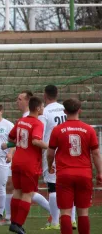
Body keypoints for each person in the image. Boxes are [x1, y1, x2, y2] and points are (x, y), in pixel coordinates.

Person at [0, 91, 50, 227]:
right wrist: (50, 147)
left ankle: (13, 221)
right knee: (28, 194)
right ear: (37, 108)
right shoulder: (37, 123)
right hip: (29, 163)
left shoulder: (21, 121)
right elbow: (36, 141)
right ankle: (18, 224)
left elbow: (11, 137)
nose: (43, 109)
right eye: (42, 107)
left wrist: (17, 143)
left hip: (17, 161)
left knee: (17, 192)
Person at [47, 98, 102, 234]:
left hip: (64, 174)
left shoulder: (57, 130)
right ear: (80, 110)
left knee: (65, 212)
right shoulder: (89, 129)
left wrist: (50, 166)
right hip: (84, 174)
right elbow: (95, 153)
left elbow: (50, 153)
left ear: (64, 111)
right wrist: (100, 172)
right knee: (83, 212)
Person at [38, 85, 70, 230]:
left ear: (45, 95)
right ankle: (71, 219)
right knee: (68, 186)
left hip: (51, 151)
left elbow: (40, 133)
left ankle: (55, 222)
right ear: (57, 94)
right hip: (67, 150)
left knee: (52, 187)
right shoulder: (64, 108)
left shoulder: (45, 112)